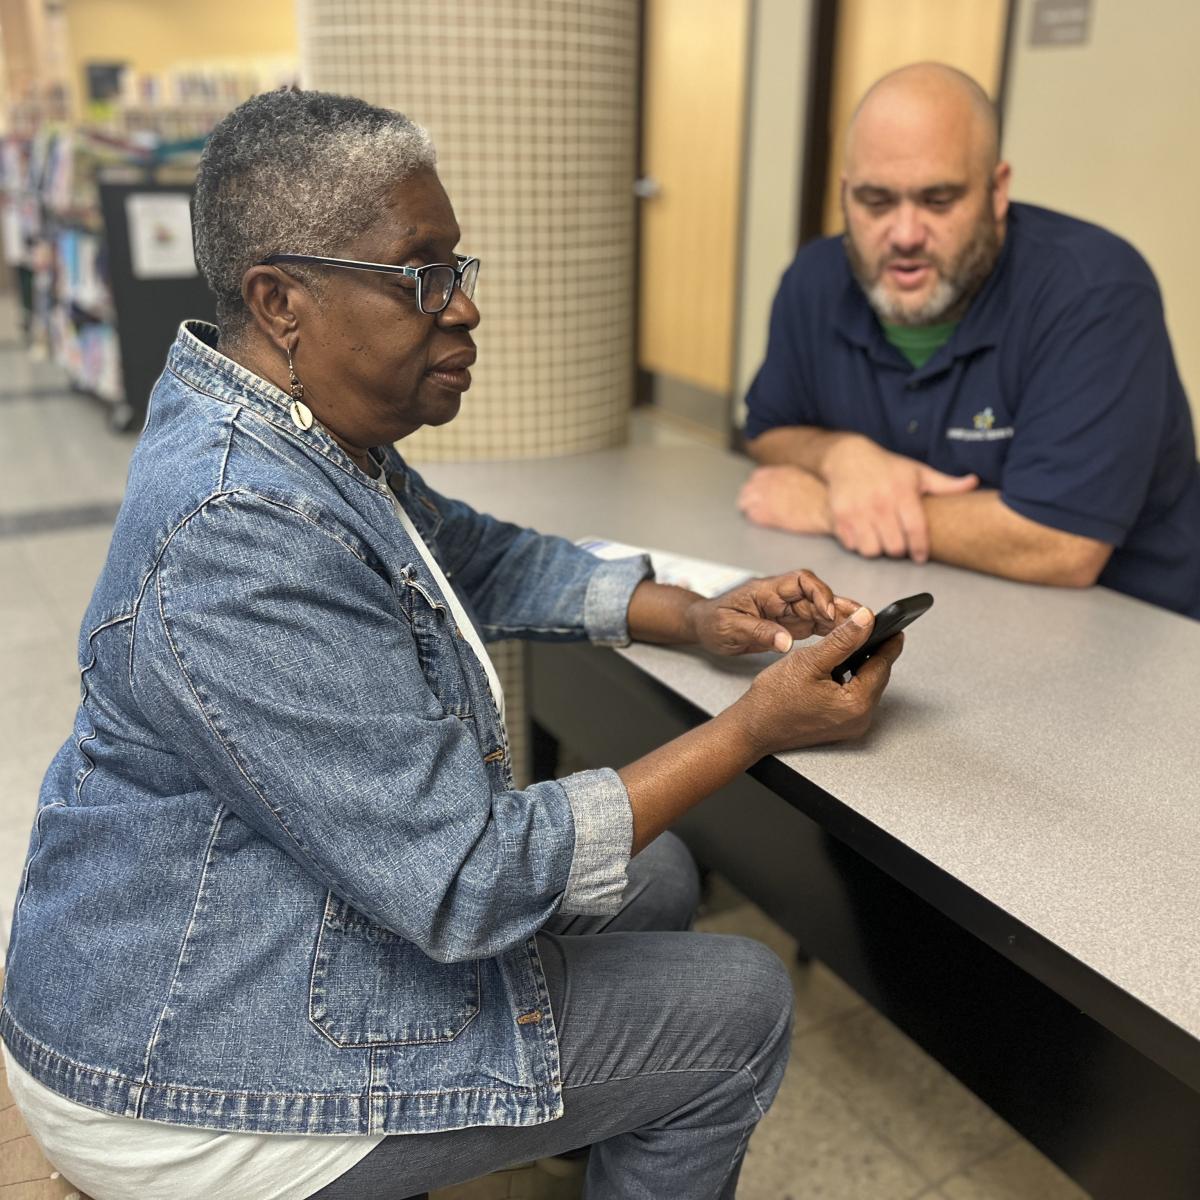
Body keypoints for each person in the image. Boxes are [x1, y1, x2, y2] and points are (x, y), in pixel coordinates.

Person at [0, 90, 902, 1200]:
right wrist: (756, 726)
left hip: (242, 937)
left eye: (458, 270)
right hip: (174, 1069)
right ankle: (603, 1098)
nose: (463, 309)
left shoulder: (301, 438)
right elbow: (470, 879)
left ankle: (571, 1118)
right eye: (422, 277)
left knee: (657, 874)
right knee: (741, 1006)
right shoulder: (239, 533)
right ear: (280, 300)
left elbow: (474, 555)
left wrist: (697, 616)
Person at [737, 62, 1200, 620]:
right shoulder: (813, 280)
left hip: (1139, 629)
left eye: (938, 200)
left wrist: (832, 507)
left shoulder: (1098, 291)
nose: (905, 234)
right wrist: (841, 457)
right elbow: (769, 431)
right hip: (929, 604)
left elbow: (1062, 545)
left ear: (997, 190)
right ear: (845, 194)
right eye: (876, 201)